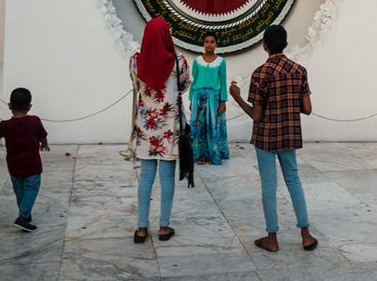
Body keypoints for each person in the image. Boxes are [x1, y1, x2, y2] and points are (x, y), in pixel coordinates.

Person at [229, 24, 318, 252]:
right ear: (286, 44)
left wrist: (237, 97)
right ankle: (306, 234)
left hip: (266, 138)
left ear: (264, 46)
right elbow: (307, 108)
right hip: (290, 135)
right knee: (294, 180)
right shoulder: (300, 71)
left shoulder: (260, 73)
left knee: (269, 185)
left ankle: (272, 238)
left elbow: (257, 116)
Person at [128, 17, 191, 244]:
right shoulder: (179, 62)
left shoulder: (135, 62)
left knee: (145, 176)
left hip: (146, 129)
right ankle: (164, 226)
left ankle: (142, 228)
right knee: (166, 177)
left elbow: (137, 86)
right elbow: (184, 86)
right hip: (169, 130)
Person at [0, 87, 49, 232]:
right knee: (31, 189)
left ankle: (25, 215)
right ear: (29, 106)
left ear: (9, 105)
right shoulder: (34, 121)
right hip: (32, 165)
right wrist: (44, 144)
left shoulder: (5, 125)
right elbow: (42, 135)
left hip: (14, 166)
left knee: (20, 191)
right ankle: (22, 218)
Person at [190, 31, 229, 165]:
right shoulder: (197, 61)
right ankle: (200, 154)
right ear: (203, 43)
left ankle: (213, 154)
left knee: (214, 126)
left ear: (216, 44)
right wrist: (191, 100)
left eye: (212, 42)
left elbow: (223, 82)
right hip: (199, 97)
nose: (209, 44)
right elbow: (193, 81)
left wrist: (223, 102)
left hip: (215, 98)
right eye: (207, 41)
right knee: (199, 127)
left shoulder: (221, 62)